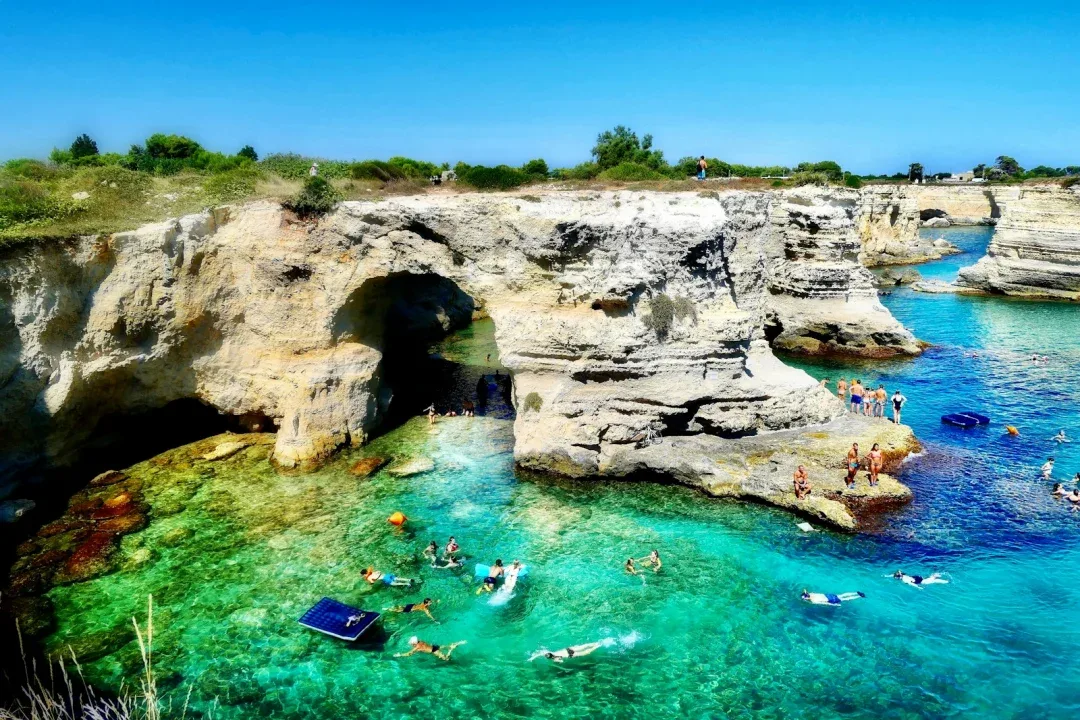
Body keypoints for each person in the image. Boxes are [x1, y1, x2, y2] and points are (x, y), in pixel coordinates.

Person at [529, 640, 608, 663]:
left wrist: (558, 661)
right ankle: (596, 643)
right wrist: (532, 658)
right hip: (568, 650)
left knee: (586, 652)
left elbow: (562, 661)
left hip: (570, 655)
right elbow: (539, 653)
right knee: (583, 646)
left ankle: (597, 646)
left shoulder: (554, 659)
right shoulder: (548, 652)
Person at [395, 636, 465, 661]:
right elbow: (423, 647)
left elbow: (409, 654)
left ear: (414, 643)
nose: (410, 643)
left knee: (446, 659)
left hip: (434, 651)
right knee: (446, 646)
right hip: (434, 646)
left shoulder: (417, 647)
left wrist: (400, 655)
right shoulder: (420, 641)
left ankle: (451, 649)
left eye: (411, 642)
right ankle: (456, 643)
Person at [800, 589, 865, 605]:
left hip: (831, 600)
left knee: (846, 599)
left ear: (806, 598)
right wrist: (805, 593)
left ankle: (859, 596)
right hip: (829, 595)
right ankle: (856, 593)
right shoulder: (811, 593)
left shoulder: (813, 601)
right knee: (842, 595)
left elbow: (824, 603)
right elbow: (805, 592)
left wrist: (834, 605)